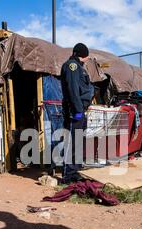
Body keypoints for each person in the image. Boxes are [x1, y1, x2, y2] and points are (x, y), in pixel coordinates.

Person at [60, 43, 94, 184]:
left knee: (78, 141)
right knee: (72, 142)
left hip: (80, 109)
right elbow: (73, 89)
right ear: (83, 55)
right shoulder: (72, 66)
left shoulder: (79, 67)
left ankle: (75, 170)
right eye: (87, 56)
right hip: (75, 111)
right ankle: (68, 174)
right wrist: (77, 110)